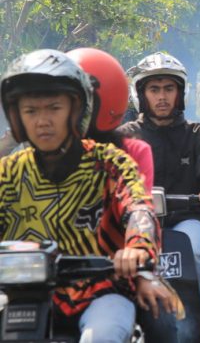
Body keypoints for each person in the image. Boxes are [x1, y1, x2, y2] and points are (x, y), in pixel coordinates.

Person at [0, 49, 163, 342]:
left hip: (102, 290)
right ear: (17, 117)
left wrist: (137, 247)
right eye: (31, 111)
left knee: (100, 337)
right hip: (22, 295)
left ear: (76, 111)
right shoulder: (8, 172)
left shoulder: (110, 162)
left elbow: (138, 206)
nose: (42, 121)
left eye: (54, 108)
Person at [67, 47, 179, 341]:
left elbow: (138, 206)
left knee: (162, 318)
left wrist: (137, 254)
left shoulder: (126, 154)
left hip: (114, 274)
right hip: (41, 280)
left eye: (68, 101)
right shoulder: (33, 157)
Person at [119, 52, 200, 343]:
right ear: (141, 94)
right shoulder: (124, 137)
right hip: (136, 222)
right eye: (154, 89)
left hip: (186, 217)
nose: (162, 96)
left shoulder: (197, 133)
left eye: (169, 88)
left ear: (180, 93)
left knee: (194, 253)